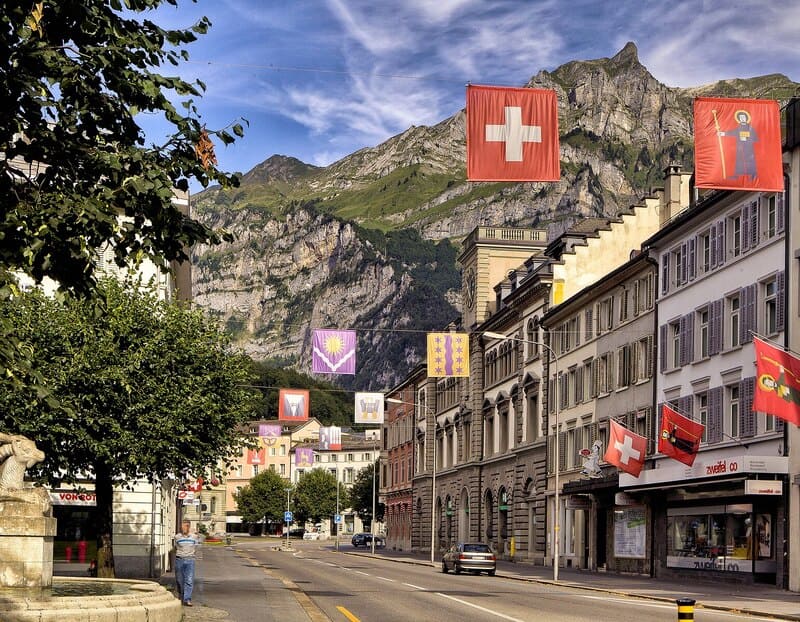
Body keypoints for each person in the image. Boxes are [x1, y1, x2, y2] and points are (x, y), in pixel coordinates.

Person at [173, 520, 201, 606]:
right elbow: (175, 548)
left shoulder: (194, 537)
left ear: (188, 527)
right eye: (182, 526)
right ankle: (181, 596)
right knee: (179, 580)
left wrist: (192, 556)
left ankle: (187, 599)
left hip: (190, 560)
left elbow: (196, 548)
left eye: (185, 526)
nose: (183, 528)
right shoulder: (177, 537)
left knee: (189, 580)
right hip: (179, 560)